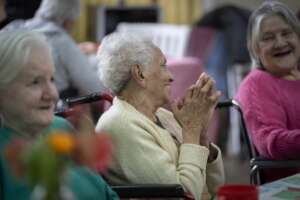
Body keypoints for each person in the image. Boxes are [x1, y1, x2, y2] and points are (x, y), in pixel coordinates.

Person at [95, 32, 225, 200]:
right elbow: (186, 194)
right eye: (163, 65)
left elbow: (217, 187)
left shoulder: (161, 115)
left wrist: (201, 136)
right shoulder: (120, 125)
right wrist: (191, 129)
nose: (171, 77)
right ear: (140, 73)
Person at [0, 29, 119, 200]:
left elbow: (107, 195)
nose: (52, 94)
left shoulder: (61, 127)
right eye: (35, 82)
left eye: (51, 79)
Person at [236, 1, 300, 182]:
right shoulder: (256, 84)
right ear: (255, 48)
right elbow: (271, 141)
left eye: (287, 33)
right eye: (268, 38)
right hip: (289, 185)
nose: (280, 43)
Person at [4, 0, 105, 99]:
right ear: (67, 21)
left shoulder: (12, 28)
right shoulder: (60, 39)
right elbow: (95, 88)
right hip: (51, 106)